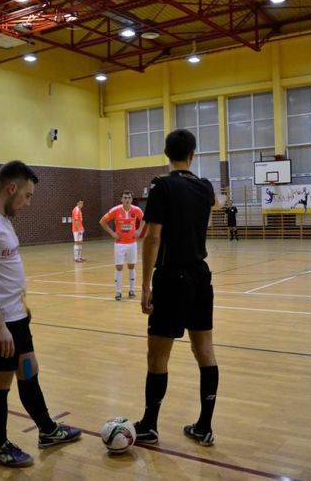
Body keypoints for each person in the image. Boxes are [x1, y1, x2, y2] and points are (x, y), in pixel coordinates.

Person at [0, 160, 81, 468]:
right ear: (11, 188)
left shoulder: (2, 219)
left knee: (29, 373)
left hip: (16, 317)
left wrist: (18, 315)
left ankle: (47, 430)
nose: (28, 202)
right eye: (27, 195)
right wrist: (0, 326)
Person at [133, 129, 218, 448]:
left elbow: (153, 237)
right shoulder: (205, 186)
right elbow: (214, 203)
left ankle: (150, 425)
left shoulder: (161, 185)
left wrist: (144, 285)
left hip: (172, 277)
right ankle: (204, 427)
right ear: (193, 154)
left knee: (158, 355)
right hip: (201, 275)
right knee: (204, 350)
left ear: (166, 154)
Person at [99, 191, 145, 301]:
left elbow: (144, 219)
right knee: (119, 267)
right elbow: (102, 221)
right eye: (125, 198)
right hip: (120, 244)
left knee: (131, 266)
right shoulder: (115, 210)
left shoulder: (136, 210)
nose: (127, 200)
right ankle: (118, 292)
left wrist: (139, 230)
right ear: (121, 199)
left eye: (129, 197)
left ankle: (132, 290)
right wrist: (112, 233)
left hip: (132, 243)